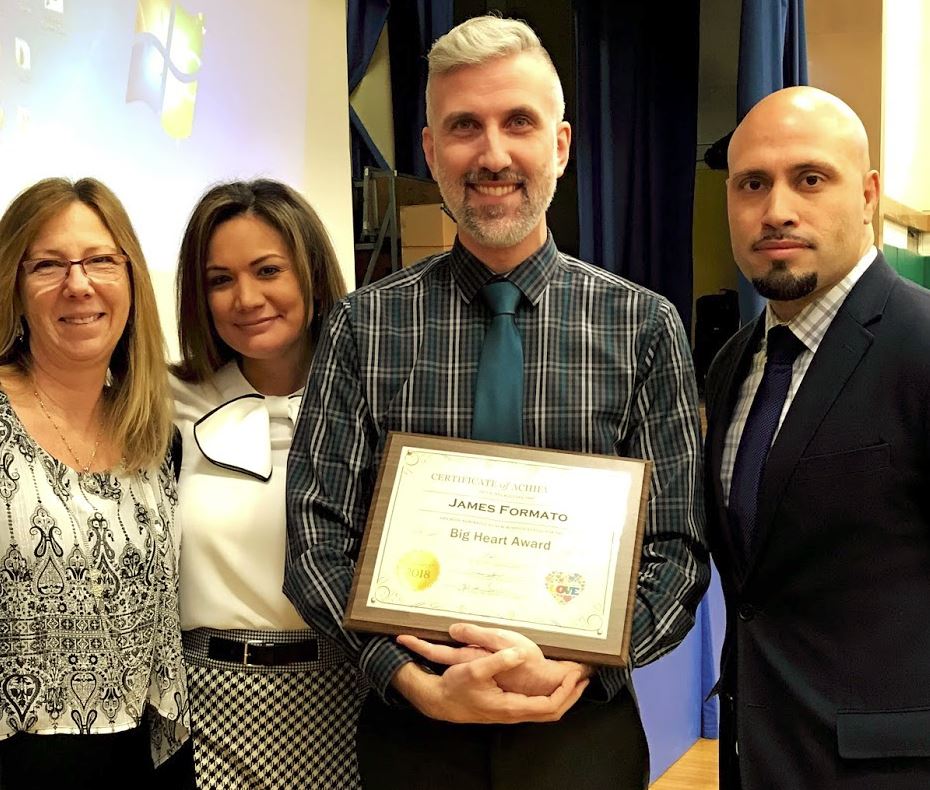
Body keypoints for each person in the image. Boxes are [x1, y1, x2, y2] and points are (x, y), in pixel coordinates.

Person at [285, 16, 708, 790]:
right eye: (464, 127)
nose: (493, 154)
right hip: (410, 729)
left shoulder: (645, 326)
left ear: (562, 145)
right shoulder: (363, 325)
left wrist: (580, 666)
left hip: (583, 731)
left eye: (518, 122)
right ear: (430, 150)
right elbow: (315, 540)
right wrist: (408, 679)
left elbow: (677, 550)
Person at [705, 85, 930, 789]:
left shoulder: (921, 345)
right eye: (752, 184)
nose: (777, 210)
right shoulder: (731, 365)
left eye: (809, 179)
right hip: (754, 762)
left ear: (866, 195)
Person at [170, 179, 362, 788]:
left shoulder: (373, 401)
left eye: (267, 270)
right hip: (208, 708)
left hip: (355, 694)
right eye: (219, 279)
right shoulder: (167, 402)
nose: (245, 298)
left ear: (309, 271)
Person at [0, 178, 188, 788]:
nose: (78, 284)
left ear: (131, 278)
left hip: (139, 762)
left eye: (100, 261)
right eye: (48, 265)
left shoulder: (157, 437)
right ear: (15, 287)